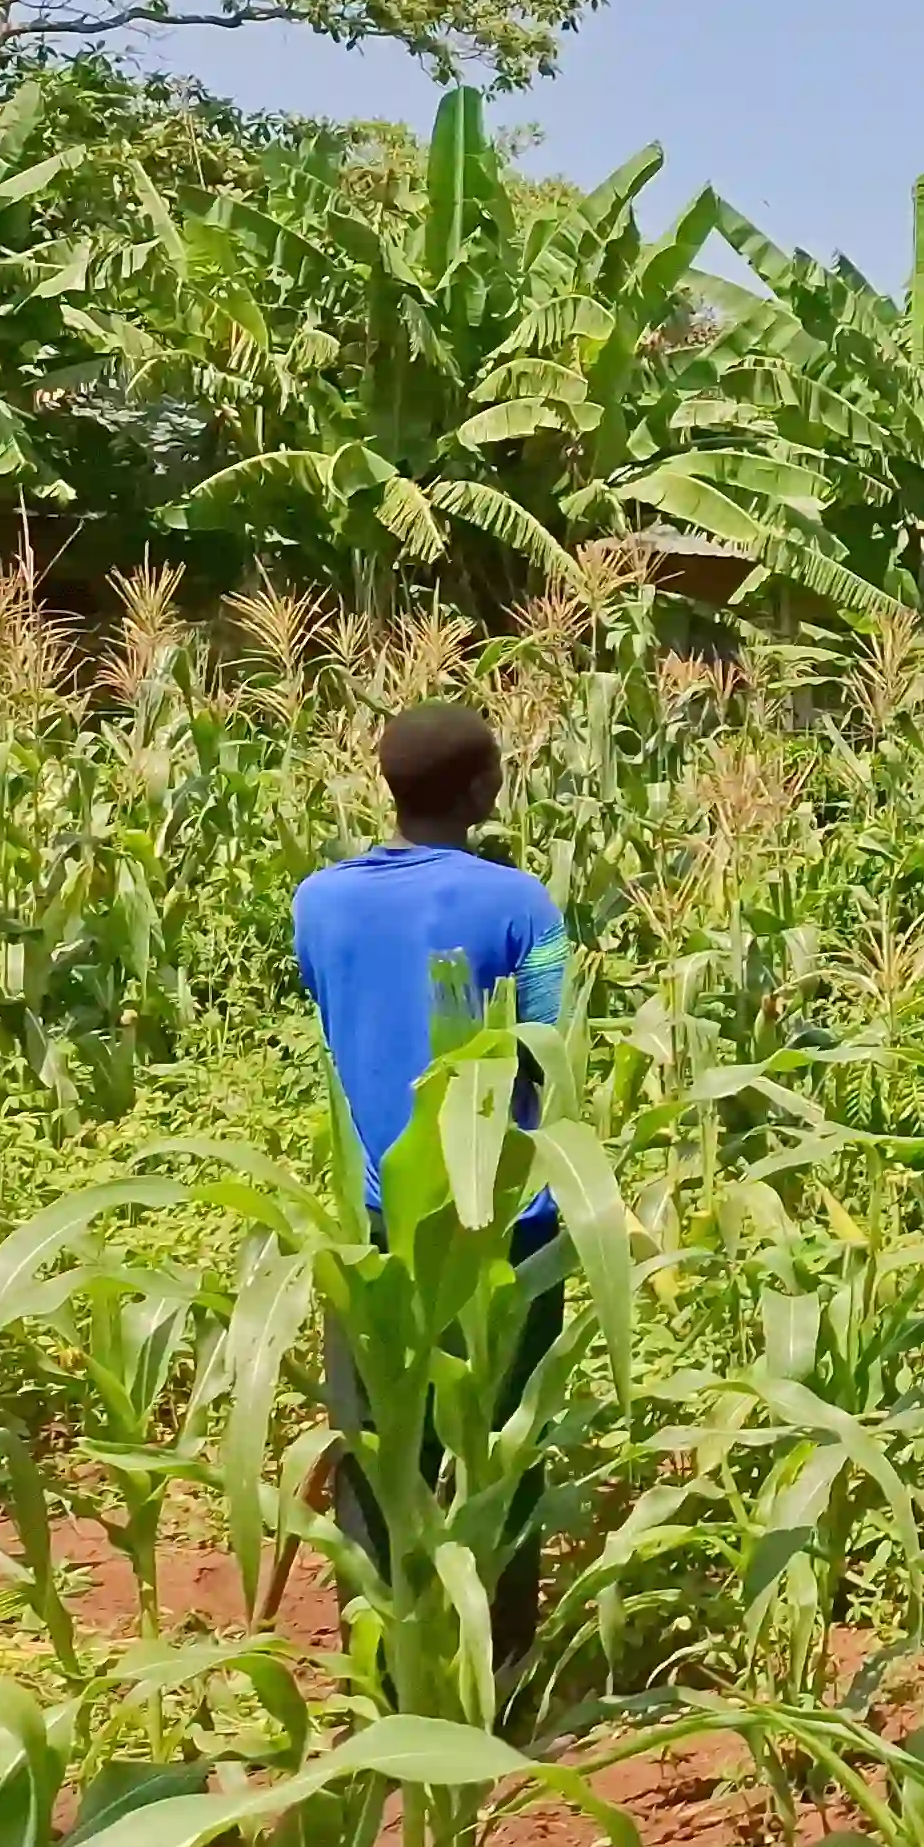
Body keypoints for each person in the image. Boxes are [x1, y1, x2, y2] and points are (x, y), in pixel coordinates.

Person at [291, 702, 573, 1671]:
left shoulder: (318, 902)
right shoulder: (522, 904)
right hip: (508, 1216)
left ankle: (382, 1655)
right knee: (506, 1442)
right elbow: (546, 1048)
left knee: (379, 1441)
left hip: (379, 1213)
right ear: (485, 787)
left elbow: (336, 1015)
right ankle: (503, 1667)